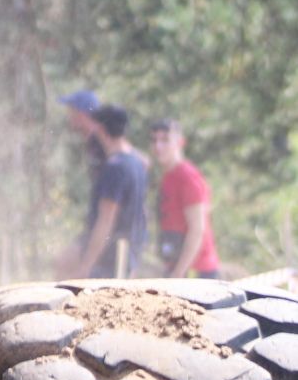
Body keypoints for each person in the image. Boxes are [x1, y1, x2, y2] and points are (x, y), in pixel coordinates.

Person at [67, 104, 148, 278]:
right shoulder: (136, 163)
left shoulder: (115, 168)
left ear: (102, 130)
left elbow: (106, 220)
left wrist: (86, 265)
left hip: (109, 262)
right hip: (126, 256)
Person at [150, 118, 220, 279]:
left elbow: (197, 229)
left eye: (165, 140)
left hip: (196, 270)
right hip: (177, 267)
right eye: (154, 140)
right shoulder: (168, 176)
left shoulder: (187, 177)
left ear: (180, 142)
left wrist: (178, 273)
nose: (158, 146)